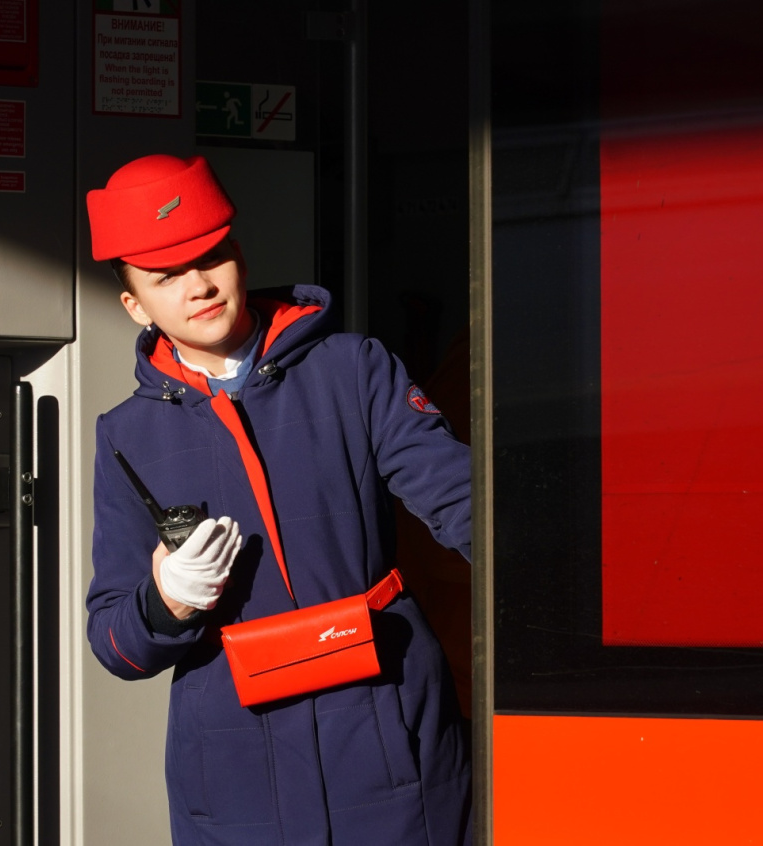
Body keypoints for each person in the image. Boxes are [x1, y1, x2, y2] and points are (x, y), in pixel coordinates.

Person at [84, 153, 472, 845]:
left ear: (238, 252)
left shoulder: (352, 370)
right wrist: (166, 600)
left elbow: (467, 506)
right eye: (166, 276)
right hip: (234, 770)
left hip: (386, 729)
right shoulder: (125, 436)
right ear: (134, 305)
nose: (199, 286)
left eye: (211, 256)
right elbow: (116, 645)